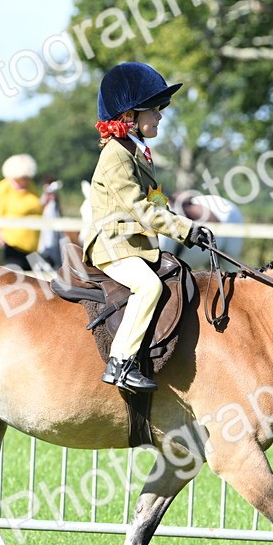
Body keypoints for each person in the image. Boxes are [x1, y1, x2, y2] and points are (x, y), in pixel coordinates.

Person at [81, 62, 212, 393]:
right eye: (153, 110)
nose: (160, 116)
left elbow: (154, 204)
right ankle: (121, 363)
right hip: (114, 244)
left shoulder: (135, 153)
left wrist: (187, 228)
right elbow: (139, 210)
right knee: (148, 287)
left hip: (134, 244)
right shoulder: (116, 156)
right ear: (129, 117)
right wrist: (186, 229)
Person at [0, 154, 43, 270]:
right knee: (15, 281)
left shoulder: (31, 187)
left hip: (34, 246)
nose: (26, 181)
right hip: (14, 245)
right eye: (23, 178)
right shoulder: (3, 188)